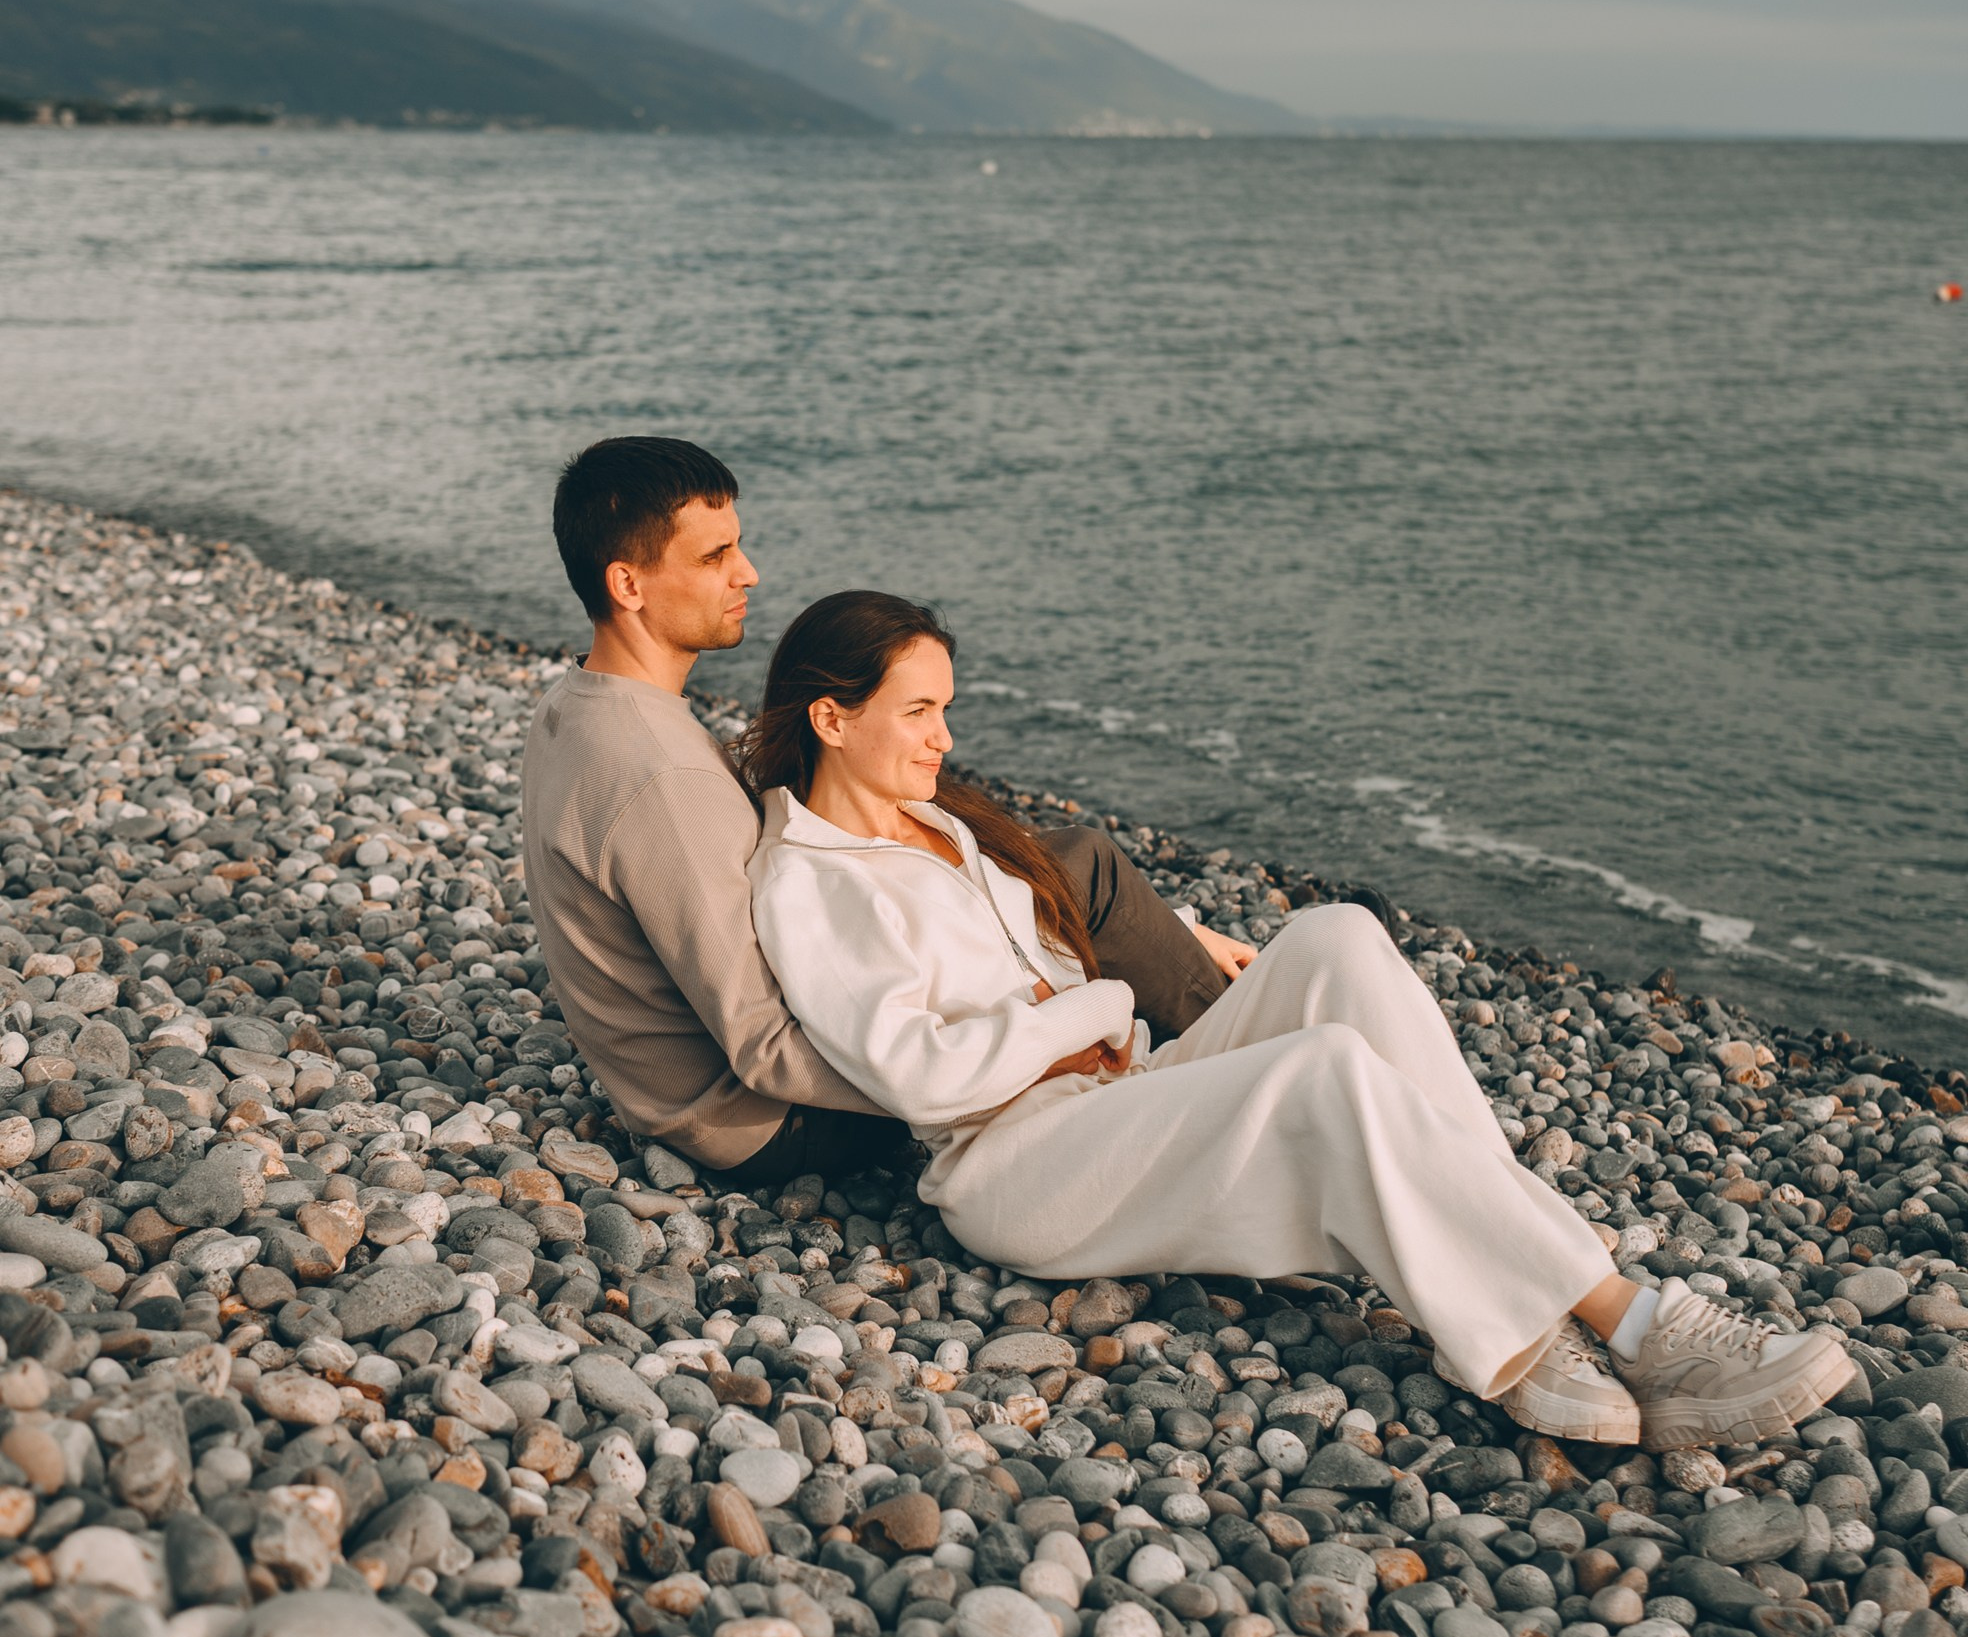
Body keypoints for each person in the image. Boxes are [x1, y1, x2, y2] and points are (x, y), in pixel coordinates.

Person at [744, 588, 1855, 1450]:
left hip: (1116, 1094)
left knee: (1334, 939)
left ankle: (1530, 1299)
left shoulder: (932, 823)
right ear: (832, 716)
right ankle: (1629, 1319)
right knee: (1323, 1068)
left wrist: (1127, 976)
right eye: (919, 711)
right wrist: (1093, 1001)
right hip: (1016, 1163)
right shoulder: (810, 881)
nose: (944, 736)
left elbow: (1023, 941)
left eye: (948, 708)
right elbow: (921, 1078)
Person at [521, 434, 1235, 1190]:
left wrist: (1163, 930)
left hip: (697, 1087)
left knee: (1048, 870)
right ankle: (1233, 1052)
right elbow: (763, 1041)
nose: (748, 572)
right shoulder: (662, 777)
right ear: (628, 584)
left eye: (739, 545)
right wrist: (1024, 1061)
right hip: (762, 1119)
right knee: (1080, 869)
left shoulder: (581, 705)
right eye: (713, 556)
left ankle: (1194, 981)